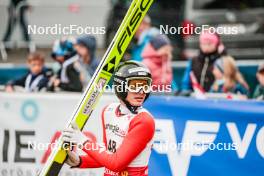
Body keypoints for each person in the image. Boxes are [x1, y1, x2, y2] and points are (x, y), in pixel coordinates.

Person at [62, 61, 155, 176]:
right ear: (120, 86)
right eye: (135, 85)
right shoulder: (108, 111)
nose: (142, 91)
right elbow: (108, 154)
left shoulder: (144, 121)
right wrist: (80, 161)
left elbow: (116, 164)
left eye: (145, 86)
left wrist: (83, 141)